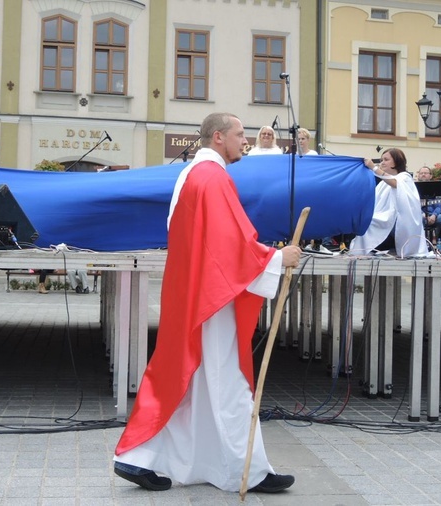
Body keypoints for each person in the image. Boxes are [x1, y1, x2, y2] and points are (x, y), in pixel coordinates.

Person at [113, 113, 301, 494]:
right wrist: (278, 259)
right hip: (212, 297)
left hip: (192, 290)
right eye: (239, 135)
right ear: (218, 138)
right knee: (226, 378)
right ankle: (248, 470)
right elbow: (230, 242)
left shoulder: (190, 174)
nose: (244, 142)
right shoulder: (214, 178)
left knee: (188, 378)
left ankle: (138, 457)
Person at [349, 148, 429, 258]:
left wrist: (373, 167)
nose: (382, 162)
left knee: (372, 222)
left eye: (386, 159)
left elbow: (395, 183)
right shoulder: (383, 182)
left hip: (399, 222)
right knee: (364, 220)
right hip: (388, 217)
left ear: (396, 162)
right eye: (382, 160)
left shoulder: (404, 177)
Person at [416, 165, 441, 250]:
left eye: (425, 173)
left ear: (430, 175)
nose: (423, 175)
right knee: (416, 220)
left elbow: (438, 206)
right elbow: (413, 205)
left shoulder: (435, 188)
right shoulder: (414, 188)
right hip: (419, 216)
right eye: (421, 173)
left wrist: (434, 215)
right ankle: (419, 247)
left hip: (433, 216)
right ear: (418, 175)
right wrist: (422, 215)